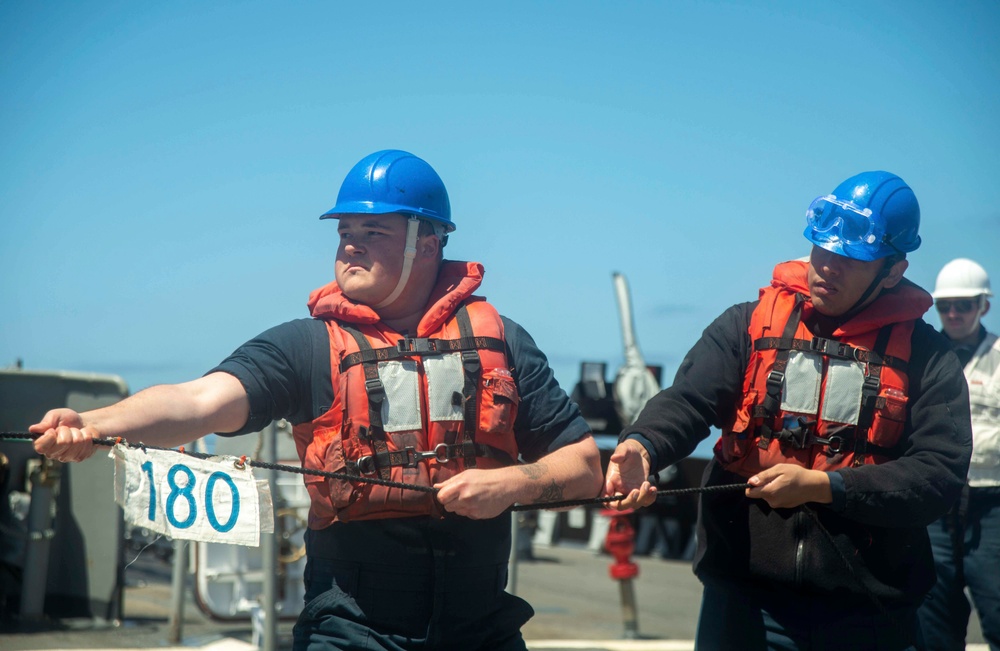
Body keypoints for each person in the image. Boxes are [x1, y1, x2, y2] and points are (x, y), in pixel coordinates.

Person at [30, 149, 603, 651]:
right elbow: (199, 400)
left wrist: (515, 485)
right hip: (352, 629)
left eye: (373, 231)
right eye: (344, 230)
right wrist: (96, 423)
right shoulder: (306, 347)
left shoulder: (500, 340)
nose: (351, 242)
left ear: (428, 244)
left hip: (483, 629)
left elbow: (582, 466)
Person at [603, 171, 973, 650]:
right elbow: (689, 399)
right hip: (743, 603)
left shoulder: (929, 357)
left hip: (871, 615)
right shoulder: (747, 325)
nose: (828, 267)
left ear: (893, 271)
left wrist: (826, 488)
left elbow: (937, 477)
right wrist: (644, 445)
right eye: (822, 249)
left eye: (850, 258)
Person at [918, 258, 1000, 650]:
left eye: (963, 305)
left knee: (997, 605)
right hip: (936, 503)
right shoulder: (923, 356)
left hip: (992, 503)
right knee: (932, 611)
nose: (952, 313)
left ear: (983, 306)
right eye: (944, 305)